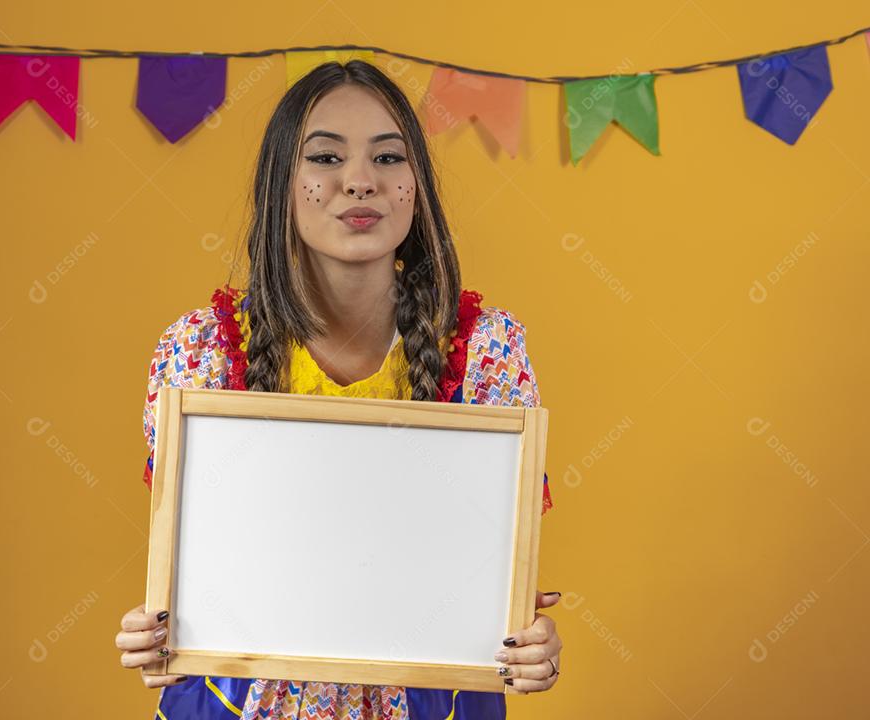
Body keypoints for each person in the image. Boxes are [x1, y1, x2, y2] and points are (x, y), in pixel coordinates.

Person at [115, 59, 562, 720]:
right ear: (283, 186)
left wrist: (531, 647)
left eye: (388, 158)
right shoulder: (199, 353)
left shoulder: (485, 353)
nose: (360, 181)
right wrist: (158, 633)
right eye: (325, 157)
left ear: (416, 186)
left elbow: (487, 590)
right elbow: (197, 572)